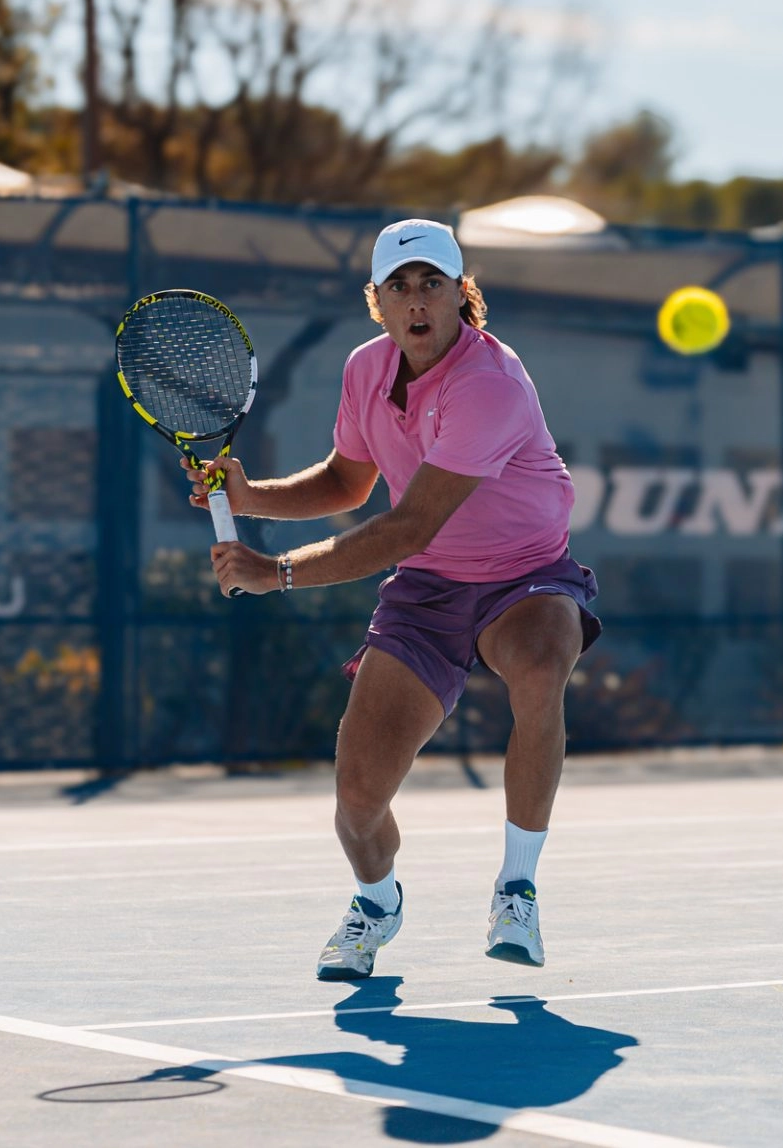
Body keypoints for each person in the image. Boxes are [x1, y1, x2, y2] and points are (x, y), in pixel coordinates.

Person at [195, 218, 602, 980]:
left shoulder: (491, 384)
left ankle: (517, 888)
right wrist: (251, 498)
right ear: (377, 303)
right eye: (399, 288)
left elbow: (407, 524)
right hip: (429, 590)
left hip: (527, 574)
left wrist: (275, 572)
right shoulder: (365, 370)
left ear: (461, 295)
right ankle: (377, 903)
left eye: (432, 285)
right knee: (356, 799)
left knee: (543, 670)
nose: (416, 302)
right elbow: (348, 483)